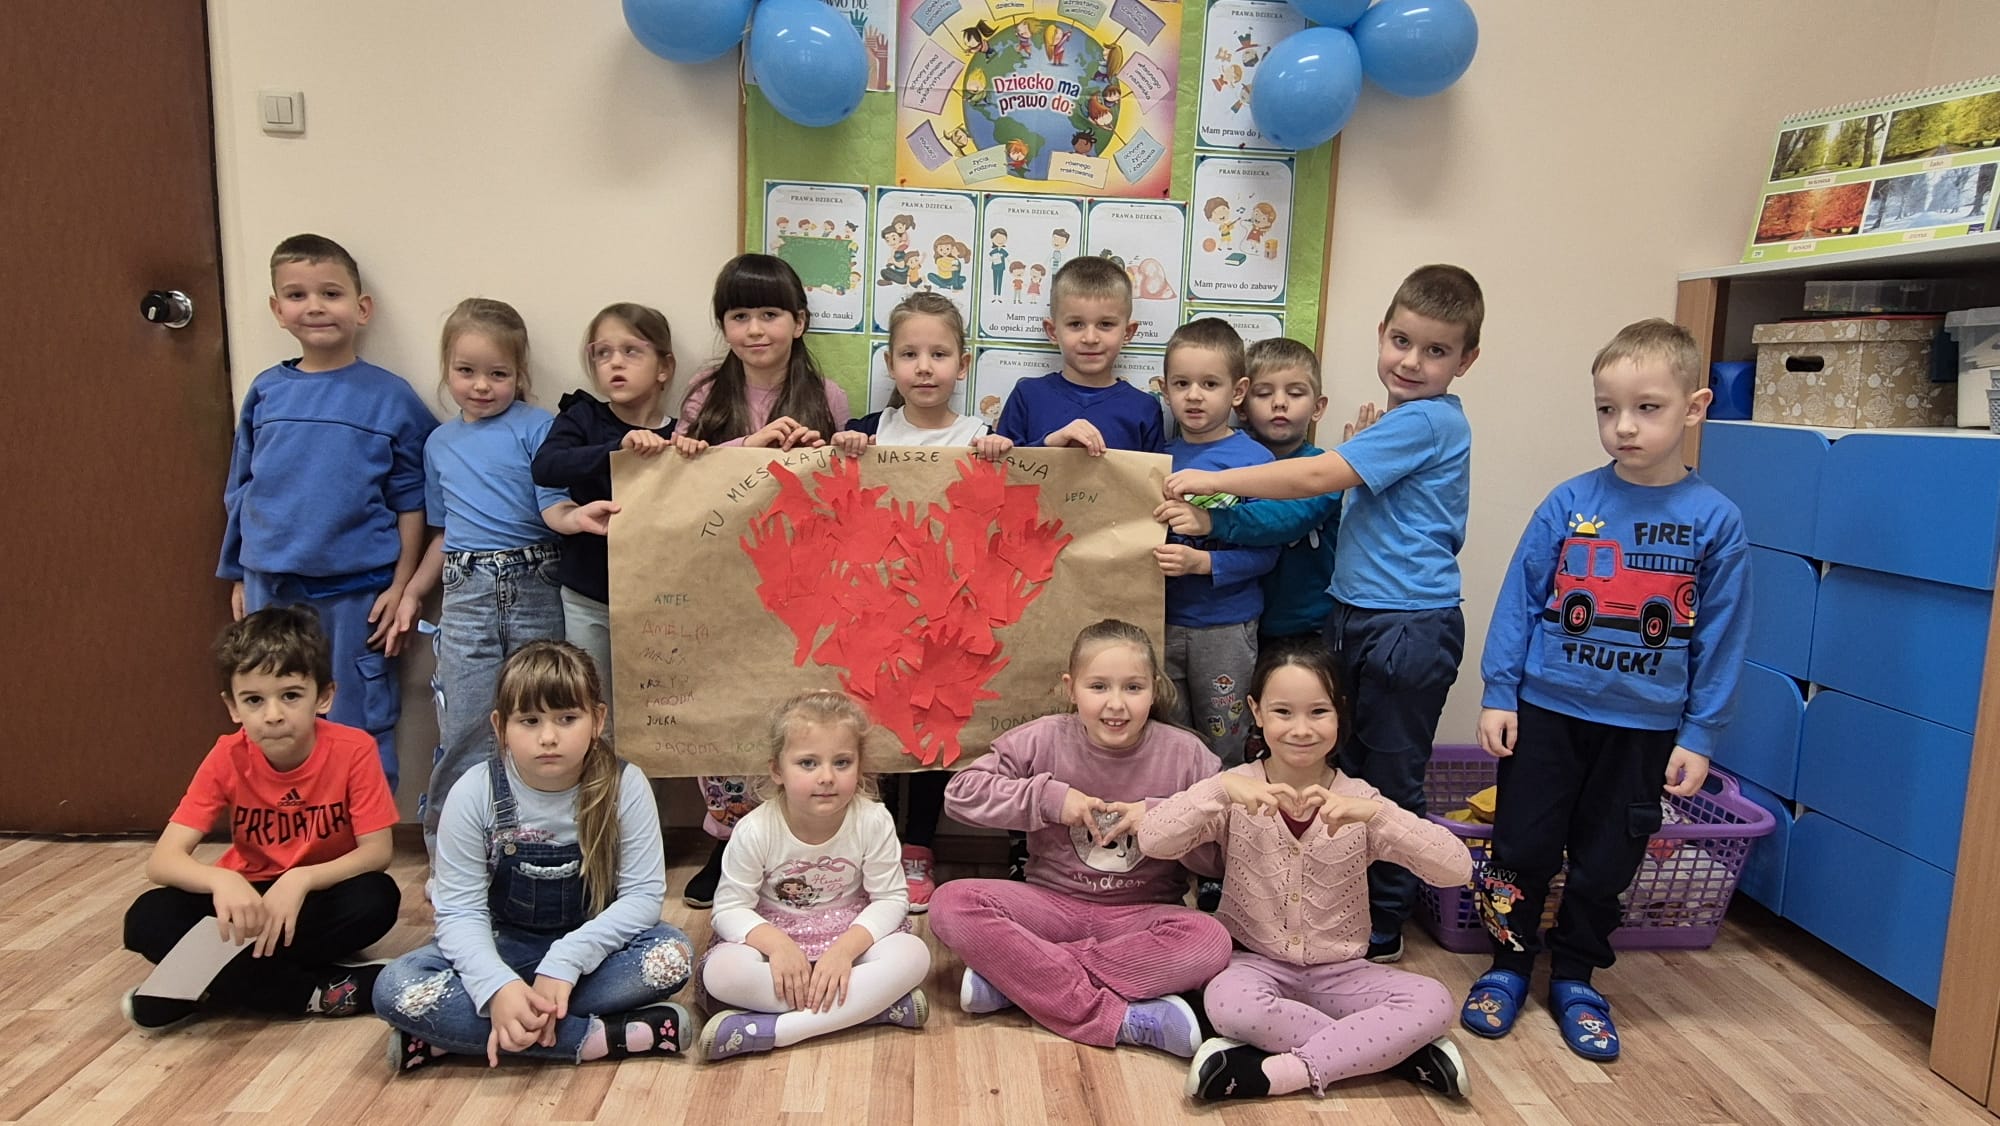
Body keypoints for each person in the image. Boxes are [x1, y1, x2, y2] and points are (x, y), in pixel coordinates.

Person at [1163, 264, 1484, 963]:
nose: (1412, 361)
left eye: (1436, 351)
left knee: (1389, 778)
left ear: (1466, 360)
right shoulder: (1401, 422)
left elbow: (1314, 477)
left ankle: (1384, 923)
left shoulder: (1427, 420)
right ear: (1382, 333)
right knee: (1349, 770)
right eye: (1402, 341)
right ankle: (1349, 904)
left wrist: (1216, 480)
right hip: (1359, 613)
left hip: (1406, 623)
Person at [1463, 318, 1750, 1062]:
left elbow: (1722, 635)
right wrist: (1500, 692)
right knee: (1521, 847)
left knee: (1606, 863)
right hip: (1546, 713)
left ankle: (1577, 976)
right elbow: (1522, 599)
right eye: (1606, 408)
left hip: (1644, 730)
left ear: (1694, 408)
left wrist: (1700, 733)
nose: (1623, 426)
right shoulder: (1570, 503)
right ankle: (1508, 966)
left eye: (1647, 408)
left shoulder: (1716, 521)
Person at [1140, 643, 1473, 1102]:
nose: (1301, 729)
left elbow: (1456, 869)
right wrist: (1218, 790)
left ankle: (1279, 1072)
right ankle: (1396, 1055)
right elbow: (1153, 840)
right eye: (1283, 711)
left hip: (1344, 973)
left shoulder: (1361, 800)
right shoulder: (1234, 790)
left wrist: (1378, 817)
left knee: (1433, 1001)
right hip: (1254, 966)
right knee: (1229, 1006)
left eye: (1319, 712)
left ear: (1340, 713)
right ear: (1256, 711)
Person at [374, 641, 695, 1070]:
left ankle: (461, 1036)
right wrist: (496, 986)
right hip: (500, 946)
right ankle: (599, 1038)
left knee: (671, 957)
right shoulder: (473, 792)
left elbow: (641, 898)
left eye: (567, 718)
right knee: (396, 986)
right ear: (500, 726)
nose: (548, 737)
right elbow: (460, 911)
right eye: (529, 721)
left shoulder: (625, 785)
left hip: (591, 952)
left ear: (597, 720)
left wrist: (566, 961)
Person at [928, 620, 1232, 1059]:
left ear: (1154, 689)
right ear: (1071, 688)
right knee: (950, 903)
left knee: (1211, 940)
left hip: (1141, 919)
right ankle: (1121, 1019)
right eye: (1098, 687)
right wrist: (1050, 800)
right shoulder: (1043, 737)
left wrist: (1165, 819)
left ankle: (1018, 980)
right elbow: (961, 794)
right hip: (1049, 907)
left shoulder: (1188, 755)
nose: (1116, 704)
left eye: (1133, 688)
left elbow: (1221, 857)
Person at [398, 298, 617, 862]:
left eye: (498, 373)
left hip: (536, 581)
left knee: (547, 718)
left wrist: (580, 518)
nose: (481, 386)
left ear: (520, 374)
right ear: (447, 370)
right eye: (466, 371)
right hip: (466, 591)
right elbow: (443, 531)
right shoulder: (438, 443)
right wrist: (413, 591)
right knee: (467, 725)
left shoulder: (539, 428)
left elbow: (553, 505)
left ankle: (550, 847)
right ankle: (453, 856)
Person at [218, 234, 438, 790]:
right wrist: (239, 572)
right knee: (274, 713)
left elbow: (414, 500)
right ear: (277, 310)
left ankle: (361, 831)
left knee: (357, 719)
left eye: (331, 294)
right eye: (297, 295)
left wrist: (402, 585)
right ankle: (283, 824)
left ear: (362, 309)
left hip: (358, 596)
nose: (314, 306)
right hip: (270, 587)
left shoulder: (391, 397)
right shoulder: (266, 392)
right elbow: (242, 487)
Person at [121, 607, 399, 1032]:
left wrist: (302, 879)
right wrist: (222, 880)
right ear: (233, 707)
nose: (273, 714)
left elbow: (377, 853)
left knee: (376, 898)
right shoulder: (226, 756)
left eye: (291, 695)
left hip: (314, 897)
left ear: (324, 697)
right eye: (254, 700)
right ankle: (310, 992)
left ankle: (205, 985)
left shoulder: (354, 749)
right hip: (245, 902)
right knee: (146, 918)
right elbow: (162, 861)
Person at [829, 292, 1014, 911]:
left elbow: (1004, 505)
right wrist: (842, 451)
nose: (925, 367)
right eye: (909, 354)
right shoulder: (869, 431)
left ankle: (918, 848)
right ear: (889, 363)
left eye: (939, 354)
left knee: (936, 725)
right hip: (881, 608)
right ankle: (873, 846)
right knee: (876, 721)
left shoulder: (979, 435)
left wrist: (1000, 453)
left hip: (949, 610)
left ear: (964, 364)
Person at [676, 253, 849, 909]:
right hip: (722, 576)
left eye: (770, 314)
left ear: (798, 322)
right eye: (739, 315)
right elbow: (676, 480)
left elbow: (845, 490)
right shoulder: (705, 392)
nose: (755, 329)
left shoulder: (827, 396)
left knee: (795, 706)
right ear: (723, 325)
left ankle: (797, 841)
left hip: (800, 580)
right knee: (725, 707)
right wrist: (749, 449)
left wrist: (816, 453)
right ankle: (727, 842)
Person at [698, 692, 933, 1060]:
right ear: (777, 770)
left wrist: (843, 952)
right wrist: (778, 946)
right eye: (808, 763)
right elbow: (729, 908)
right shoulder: (755, 829)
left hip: (849, 936)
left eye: (842, 762)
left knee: (914, 956)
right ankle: (870, 1009)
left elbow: (890, 899)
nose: (826, 777)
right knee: (722, 974)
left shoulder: (873, 820)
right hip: (776, 938)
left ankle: (778, 1031)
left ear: (860, 766)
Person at [530, 303, 680, 717]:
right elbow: (546, 467)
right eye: (602, 353)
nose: (615, 362)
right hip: (589, 595)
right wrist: (617, 449)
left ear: (664, 367)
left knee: (655, 711)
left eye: (632, 351)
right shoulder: (583, 418)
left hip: (658, 603)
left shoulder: (680, 433)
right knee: (590, 704)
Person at [995, 254, 1163, 455]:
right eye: (1076, 324)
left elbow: (1153, 474)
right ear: (1052, 331)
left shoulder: (1144, 408)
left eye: (1105, 324)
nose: (1090, 338)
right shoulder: (1027, 396)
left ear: (1128, 333)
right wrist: (1050, 443)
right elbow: (1003, 467)